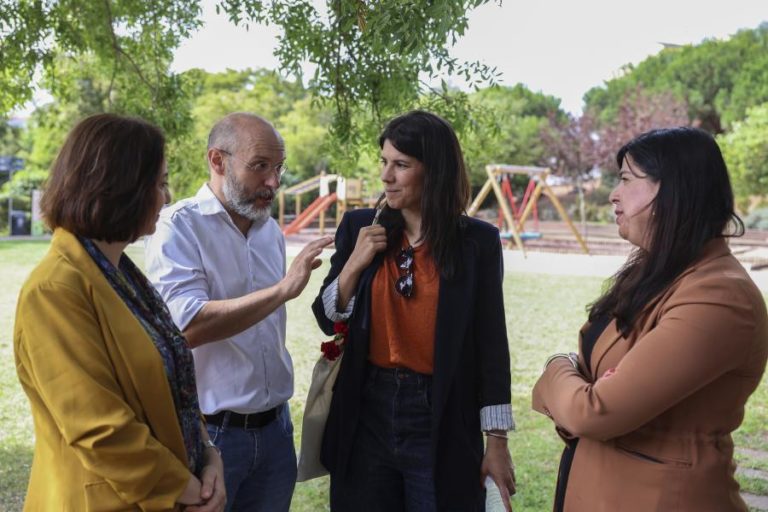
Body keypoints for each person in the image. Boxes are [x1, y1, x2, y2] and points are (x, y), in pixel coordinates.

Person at [532, 127, 768, 511]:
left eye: (626, 179)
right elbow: (590, 399)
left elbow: (593, 412)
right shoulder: (656, 272)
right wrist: (581, 397)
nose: (613, 193)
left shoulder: (722, 297)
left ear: (673, 190)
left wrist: (556, 368)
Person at [14, 113, 225, 511]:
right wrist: (192, 491)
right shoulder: (55, 290)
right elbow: (99, 430)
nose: (166, 195)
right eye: (159, 183)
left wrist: (210, 457)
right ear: (121, 188)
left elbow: (172, 385)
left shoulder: (123, 277)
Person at [312, 110, 516, 511]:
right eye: (384, 162)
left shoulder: (477, 243)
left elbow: (491, 345)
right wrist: (354, 263)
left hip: (440, 412)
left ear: (435, 171)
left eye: (401, 165)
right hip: (365, 409)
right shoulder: (358, 226)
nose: (386, 176)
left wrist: (497, 443)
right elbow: (327, 316)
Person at [145, 112, 332, 512]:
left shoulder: (270, 232)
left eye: (278, 167)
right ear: (218, 161)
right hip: (211, 436)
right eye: (260, 166)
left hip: (277, 431)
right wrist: (282, 290)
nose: (274, 182)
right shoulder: (177, 227)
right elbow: (187, 326)